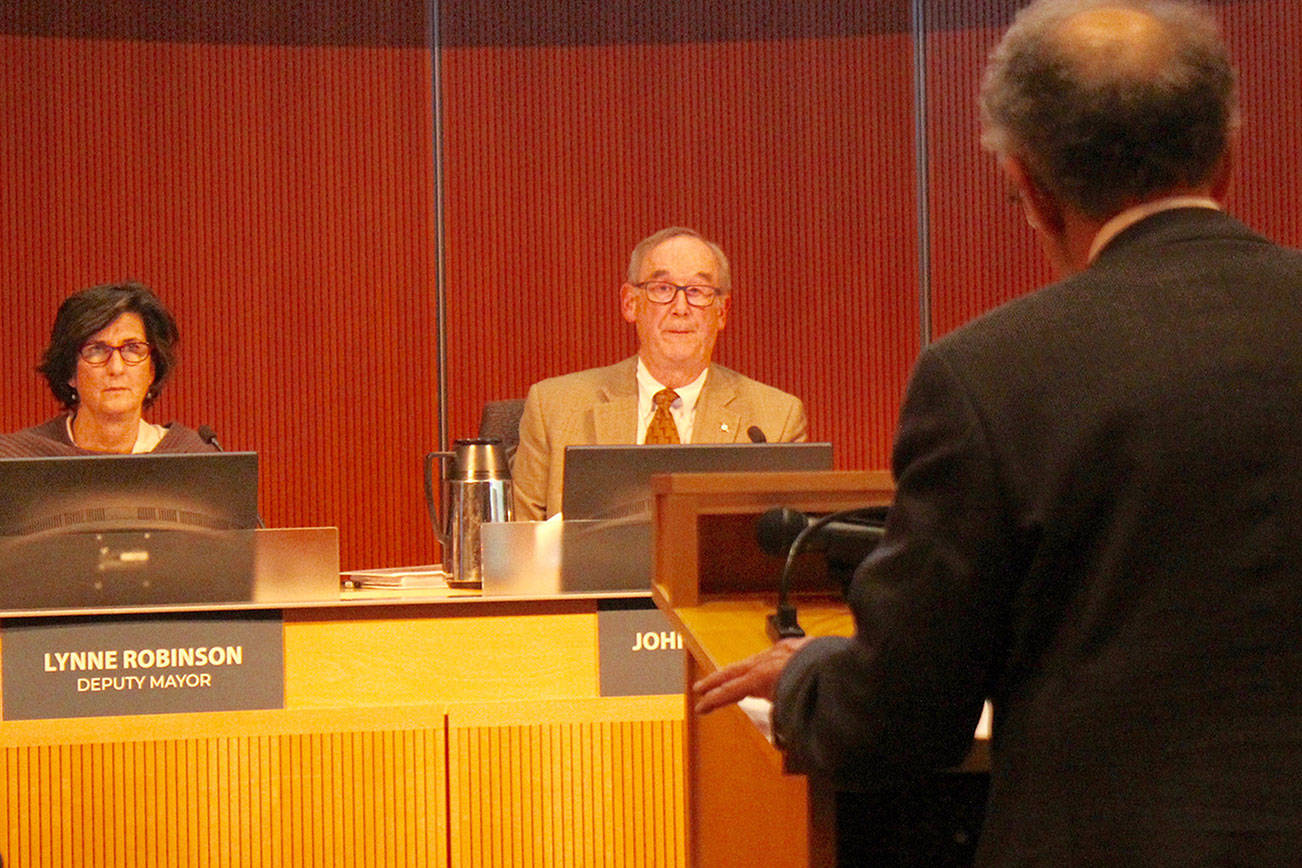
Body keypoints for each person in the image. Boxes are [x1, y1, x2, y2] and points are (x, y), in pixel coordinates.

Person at [694, 1, 1302, 863]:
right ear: (1228, 159)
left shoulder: (992, 376)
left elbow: (896, 726)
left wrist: (807, 675)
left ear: (1033, 188)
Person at [512, 226, 808, 520]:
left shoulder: (775, 422)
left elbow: (786, 555)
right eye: (662, 289)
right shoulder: (553, 407)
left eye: (697, 291)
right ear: (630, 303)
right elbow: (521, 551)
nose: (680, 308)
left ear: (722, 311)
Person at [0, 282, 216, 456]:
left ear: (151, 369)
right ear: (70, 372)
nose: (116, 368)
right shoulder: (18, 460)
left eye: (132, 348)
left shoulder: (195, 458)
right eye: (96, 350)